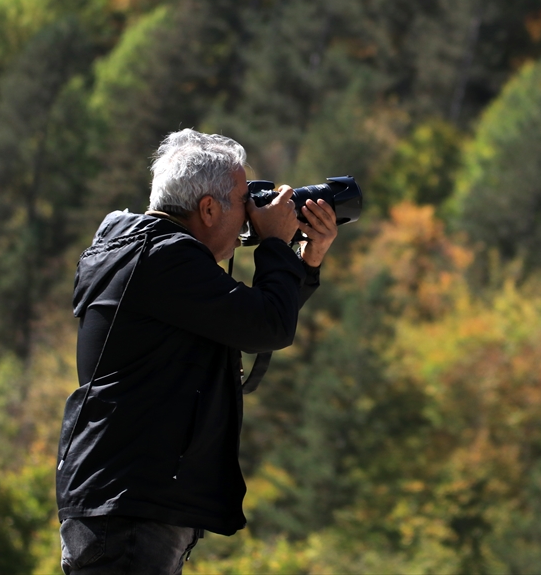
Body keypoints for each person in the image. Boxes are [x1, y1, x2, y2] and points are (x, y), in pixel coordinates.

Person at [55, 129, 339, 575]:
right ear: (208, 208)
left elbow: (250, 321)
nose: (251, 214)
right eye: (244, 200)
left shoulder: (146, 254)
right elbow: (266, 325)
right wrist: (273, 244)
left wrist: (304, 262)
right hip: (131, 509)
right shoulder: (164, 258)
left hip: (128, 504)